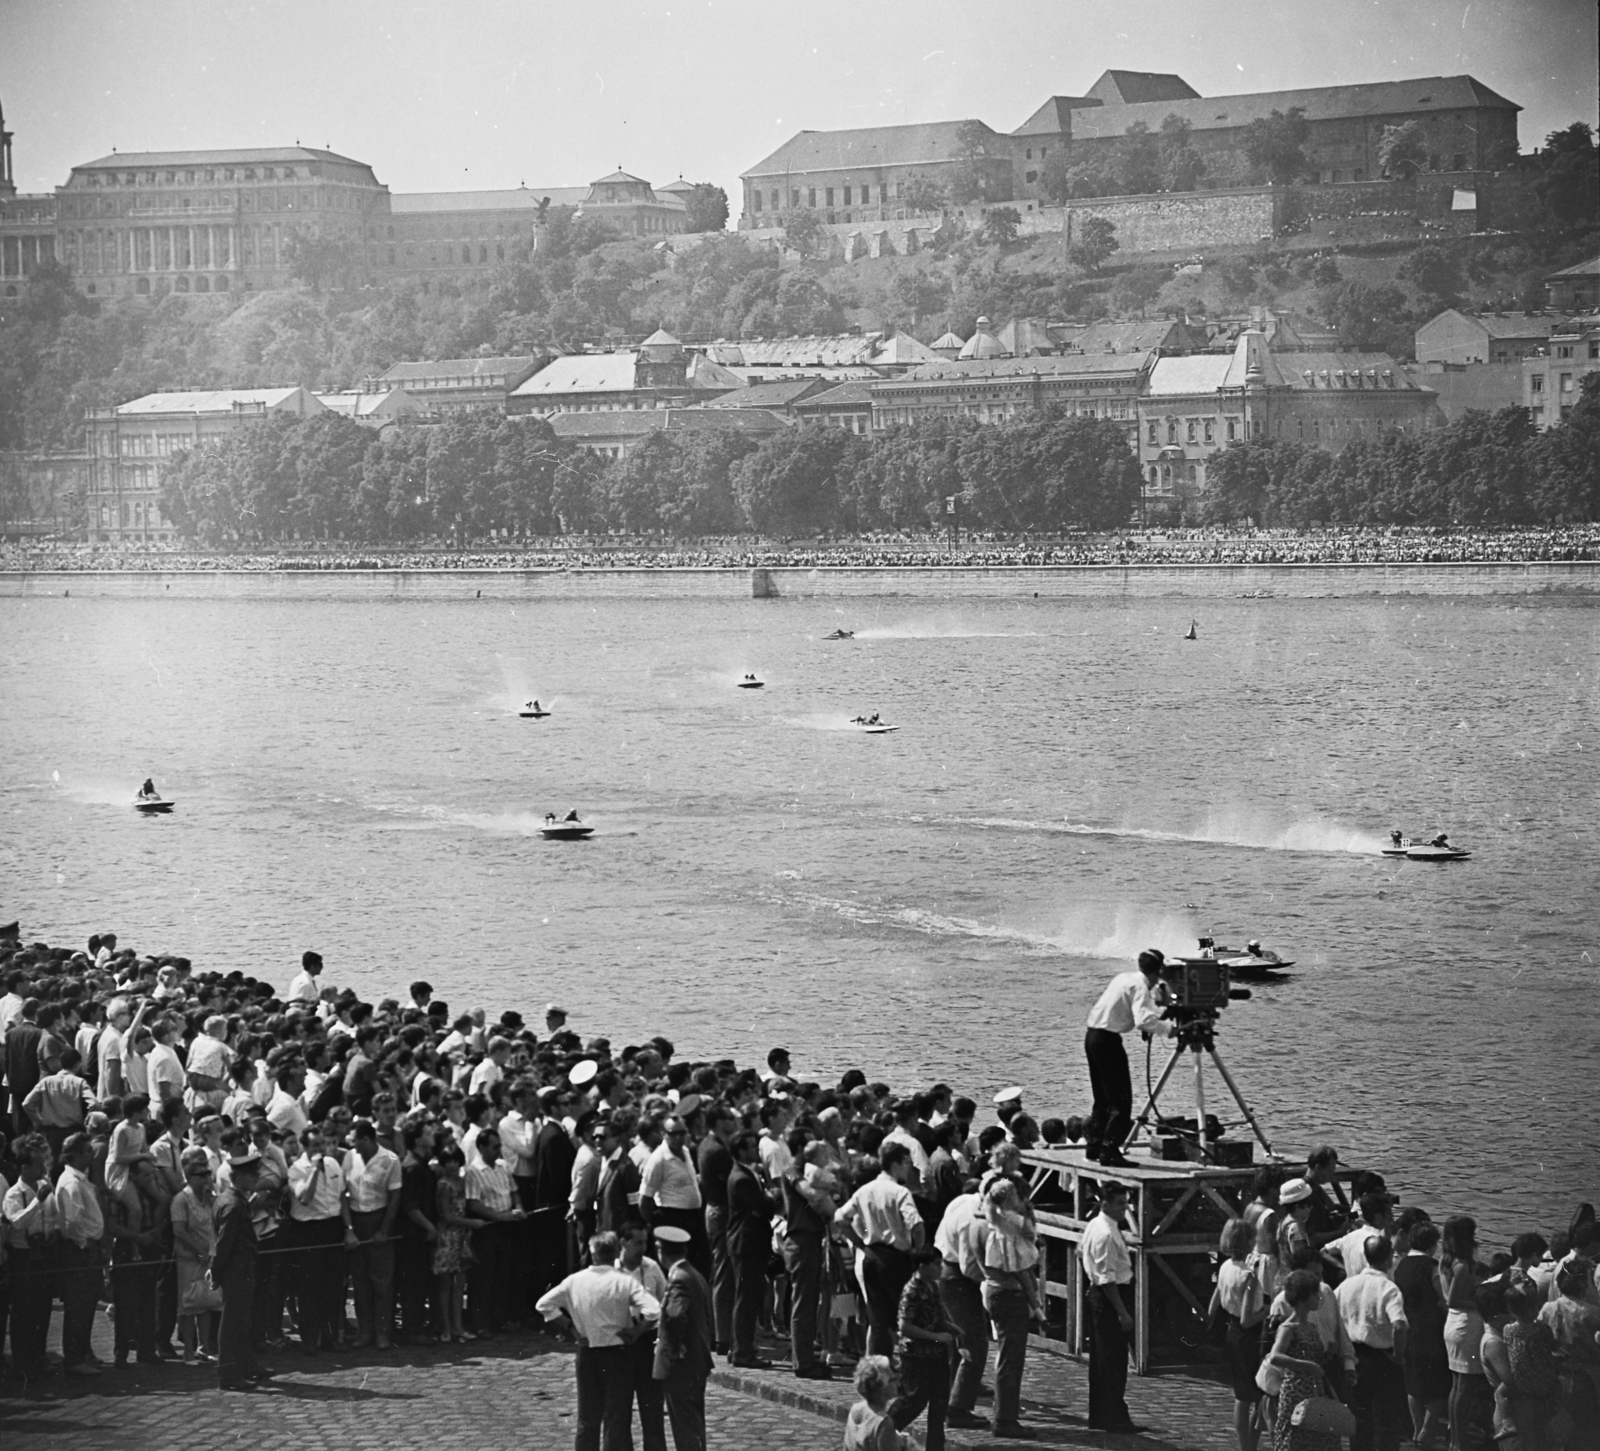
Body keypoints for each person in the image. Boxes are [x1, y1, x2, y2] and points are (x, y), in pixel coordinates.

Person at [537, 1230, 662, 1451]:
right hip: (618, 1354)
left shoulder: (574, 1281)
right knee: (616, 1418)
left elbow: (544, 1305)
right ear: (615, 1251)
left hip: (587, 1352)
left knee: (587, 1417)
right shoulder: (624, 1282)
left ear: (592, 1253)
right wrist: (637, 1331)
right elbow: (653, 1310)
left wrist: (571, 1328)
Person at [1082, 949, 1173, 1168]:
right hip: (1108, 1042)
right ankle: (1110, 1151)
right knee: (1121, 1102)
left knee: (1103, 1098)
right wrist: (1171, 1029)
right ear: (1158, 970)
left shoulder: (1124, 978)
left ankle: (1095, 1146)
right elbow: (1145, 1022)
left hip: (1093, 1036)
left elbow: (1133, 1011)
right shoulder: (1140, 987)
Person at [835, 1141, 924, 1358]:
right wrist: (917, 1252)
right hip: (895, 1257)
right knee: (907, 1316)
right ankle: (909, 1367)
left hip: (871, 1255)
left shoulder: (864, 1190)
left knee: (877, 1321)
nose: (909, 1169)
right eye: (907, 1164)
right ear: (897, 1164)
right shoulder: (899, 1192)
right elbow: (917, 1225)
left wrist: (860, 1243)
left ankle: (876, 1371)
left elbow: (840, 1218)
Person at [1337, 1233, 1409, 1451]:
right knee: (1387, 1420)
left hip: (1354, 1357)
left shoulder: (1347, 1285)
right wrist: (1398, 1355)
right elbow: (1399, 1325)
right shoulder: (1388, 1288)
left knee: (1359, 1419)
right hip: (1383, 1359)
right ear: (1388, 1259)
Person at [1082, 1180, 1143, 1434]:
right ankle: (1113, 1415)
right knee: (1112, 1361)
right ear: (1105, 1203)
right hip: (1111, 1297)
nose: (1124, 1208)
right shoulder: (1105, 1233)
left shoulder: (1097, 1224)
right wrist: (1123, 1312)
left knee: (1102, 1359)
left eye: (1126, 1202)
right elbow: (1106, 1279)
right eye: (1119, 1203)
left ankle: (1101, 1414)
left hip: (1103, 1294)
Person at [213, 1148, 272, 1391]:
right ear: (238, 1178)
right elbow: (223, 1244)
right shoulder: (234, 1206)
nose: (256, 1178)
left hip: (240, 1267)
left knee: (241, 1319)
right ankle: (229, 1375)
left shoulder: (230, 1199)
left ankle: (247, 1365)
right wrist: (215, 1272)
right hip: (236, 1269)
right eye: (251, 1175)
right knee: (233, 1323)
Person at [889, 1247, 959, 1450]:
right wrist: (937, 1337)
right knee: (915, 1400)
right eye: (936, 1264)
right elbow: (904, 1326)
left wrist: (954, 1331)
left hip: (936, 1354)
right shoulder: (912, 1290)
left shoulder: (933, 1287)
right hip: (916, 1355)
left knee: (939, 1404)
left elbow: (938, 1317)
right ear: (923, 1266)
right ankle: (882, 1431)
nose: (940, 1268)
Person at [1210, 1218, 1268, 1451]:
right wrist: (1266, 1311)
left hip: (1230, 1330)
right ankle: (1249, 1445)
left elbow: (1214, 1303)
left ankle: (1246, 1445)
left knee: (1241, 1396)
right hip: (1249, 1335)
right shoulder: (1249, 1276)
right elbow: (1247, 1319)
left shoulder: (1224, 1268)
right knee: (1256, 1394)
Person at [1268, 1269, 1342, 1451]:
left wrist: (1328, 1355)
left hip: (1314, 1390)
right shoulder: (1288, 1328)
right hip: (1295, 1391)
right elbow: (1275, 1357)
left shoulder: (1311, 1326)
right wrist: (1308, 1366)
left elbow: (1315, 1361)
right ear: (1303, 1297)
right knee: (1295, 1440)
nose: (1319, 1297)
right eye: (1314, 1293)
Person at [1394, 1220, 1451, 1449]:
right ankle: (1427, 1430)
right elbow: (1443, 1299)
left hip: (1409, 1328)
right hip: (1431, 1330)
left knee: (1414, 1384)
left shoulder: (1401, 1265)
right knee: (1439, 1386)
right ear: (1433, 1244)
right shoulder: (1432, 1266)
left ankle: (1417, 1428)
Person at [54, 1131, 106, 1377]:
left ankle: (83, 1352)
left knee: (88, 1303)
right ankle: (74, 1357)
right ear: (74, 1155)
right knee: (78, 1305)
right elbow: (71, 1221)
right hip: (80, 1250)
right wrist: (83, 1243)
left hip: (88, 1247)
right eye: (87, 1151)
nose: (91, 1154)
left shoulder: (82, 1180)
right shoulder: (71, 1182)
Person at [725, 1129, 778, 1368]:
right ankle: (742, 1351)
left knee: (748, 1297)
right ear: (740, 1151)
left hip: (751, 1241)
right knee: (746, 1299)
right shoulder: (742, 1178)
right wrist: (768, 1200)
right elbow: (762, 1206)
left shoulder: (748, 1173)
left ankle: (740, 1347)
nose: (755, 1150)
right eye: (750, 1147)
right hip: (746, 1243)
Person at [171, 1146, 219, 1364]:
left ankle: (204, 1347)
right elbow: (179, 1230)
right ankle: (188, 1350)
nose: (206, 1178)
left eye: (207, 1174)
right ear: (189, 1177)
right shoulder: (181, 1199)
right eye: (201, 1175)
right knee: (188, 1305)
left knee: (206, 1303)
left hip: (208, 1258)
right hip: (189, 1260)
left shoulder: (210, 1198)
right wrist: (199, 1252)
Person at [845, 1354, 909, 1451]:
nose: (898, 1383)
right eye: (893, 1379)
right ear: (882, 1387)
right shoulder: (883, 1423)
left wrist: (894, 1439)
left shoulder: (855, 1408)